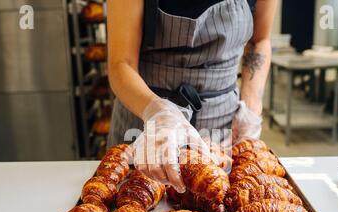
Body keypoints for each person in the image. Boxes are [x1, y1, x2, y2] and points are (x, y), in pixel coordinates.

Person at [107, 0, 277, 192]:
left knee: (218, 201)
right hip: (145, 121)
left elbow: (260, 40)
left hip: (221, 125)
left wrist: (251, 107)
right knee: (127, 203)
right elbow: (121, 63)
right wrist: (158, 113)